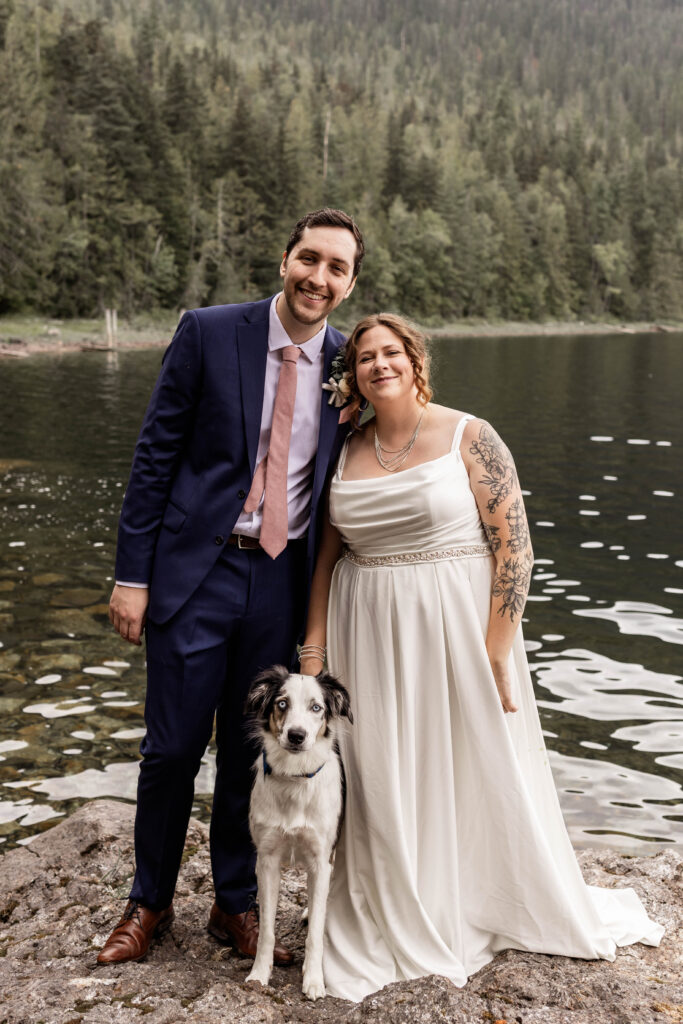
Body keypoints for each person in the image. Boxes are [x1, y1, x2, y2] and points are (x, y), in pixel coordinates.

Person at [300, 312, 663, 1002]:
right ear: (352, 375)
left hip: (458, 624)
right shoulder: (343, 448)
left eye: (391, 353)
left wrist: (496, 649)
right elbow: (326, 556)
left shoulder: (471, 435)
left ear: (414, 360)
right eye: (366, 357)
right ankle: (392, 898)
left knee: (470, 759)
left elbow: (514, 547)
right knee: (381, 766)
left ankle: (479, 895)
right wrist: (313, 651)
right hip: (366, 626)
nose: (379, 365)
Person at [97, 208, 364, 966]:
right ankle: (147, 903)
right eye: (308, 259)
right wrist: (133, 575)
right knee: (171, 749)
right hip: (195, 573)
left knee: (255, 751)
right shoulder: (209, 332)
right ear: (285, 260)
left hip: (282, 580)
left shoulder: (350, 363)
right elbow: (155, 454)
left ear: (349, 284)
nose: (318, 277)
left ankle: (235, 903)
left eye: (336, 267)